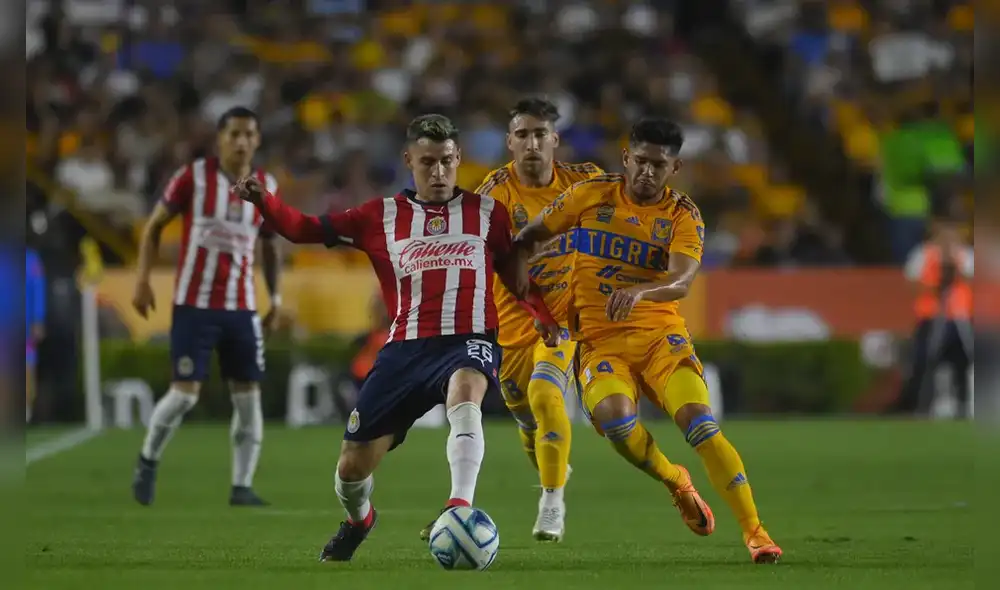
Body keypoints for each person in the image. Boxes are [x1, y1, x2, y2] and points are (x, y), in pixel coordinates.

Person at [231, 114, 560, 562]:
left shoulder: (487, 214)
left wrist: (540, 314)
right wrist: (264, 202)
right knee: (351, 467)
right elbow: (304, 229)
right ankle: (359, 520)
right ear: (409, 160)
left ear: (459, 158)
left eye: (447, 161)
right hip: (404, 349)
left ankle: (458, 505)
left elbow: (514, 276)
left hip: (468, 339)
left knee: (467, 392)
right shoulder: (378, 216)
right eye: (428, 162)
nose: (440, 172)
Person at [512, 118, 783, 564]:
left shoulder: (682, 214)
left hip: (660, 337)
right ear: (626, 159)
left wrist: (639, 291)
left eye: (659, 165)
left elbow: (680, 281)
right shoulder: (589, 195)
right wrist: (536, 303)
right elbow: (527, 239)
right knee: (617, 424)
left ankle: (756, 532)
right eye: (640, 161)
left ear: (674, 167)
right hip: (599, 343)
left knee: (700, 424)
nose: (647, 172)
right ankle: (675, 480)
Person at [454, 97, 603, 543]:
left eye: (541, 134)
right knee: (525, 417)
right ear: (509, 143)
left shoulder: (586, 182)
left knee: (545, 395)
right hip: (513, 322)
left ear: (555, 140)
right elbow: (484, 258)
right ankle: (550, 466)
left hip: (564, 320)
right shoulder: (494, 192)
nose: (532, 143)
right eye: (523, 135)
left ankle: (552, 502)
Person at [130, 106, 283, 507]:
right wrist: (143, 279)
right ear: (220, 139)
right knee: (183, 394)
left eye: (249, 134)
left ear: (258, 140)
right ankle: (147, 460)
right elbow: (153, 227)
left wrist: (276, 298)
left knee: (248, 398)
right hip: (194, 306)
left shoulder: (266, 184)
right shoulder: (192, 178)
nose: (241, 141)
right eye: (233, 133)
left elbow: (270, 245)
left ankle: (242, 486)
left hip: (242, 309)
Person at [895, 217, 974, 417]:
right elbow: (912, 285)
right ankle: (921, 406)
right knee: (925, 361)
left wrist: (956, 272)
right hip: (930, 316)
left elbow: (975, 283)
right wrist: (935, 286)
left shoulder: (965, 255)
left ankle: (963, 406)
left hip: (960, 318)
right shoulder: (922, 254)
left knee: (963, 362)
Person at [26, 247, 46, 423]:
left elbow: (38, 289)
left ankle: (26, 409)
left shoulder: (31, 259)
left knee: (27, 367)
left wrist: (38, 319)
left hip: (24, 324)